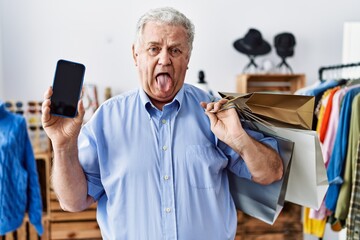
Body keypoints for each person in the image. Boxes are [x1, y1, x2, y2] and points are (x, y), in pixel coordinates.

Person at [41, 7, 283, 240]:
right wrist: (62, 145)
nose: (164, 59)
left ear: (187, 58)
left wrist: (240, 139)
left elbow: (271, 173)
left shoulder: (214, 111)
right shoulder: (106, 119)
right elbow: (72, 202)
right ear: (136, 55)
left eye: (175, 51)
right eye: (154, 49)